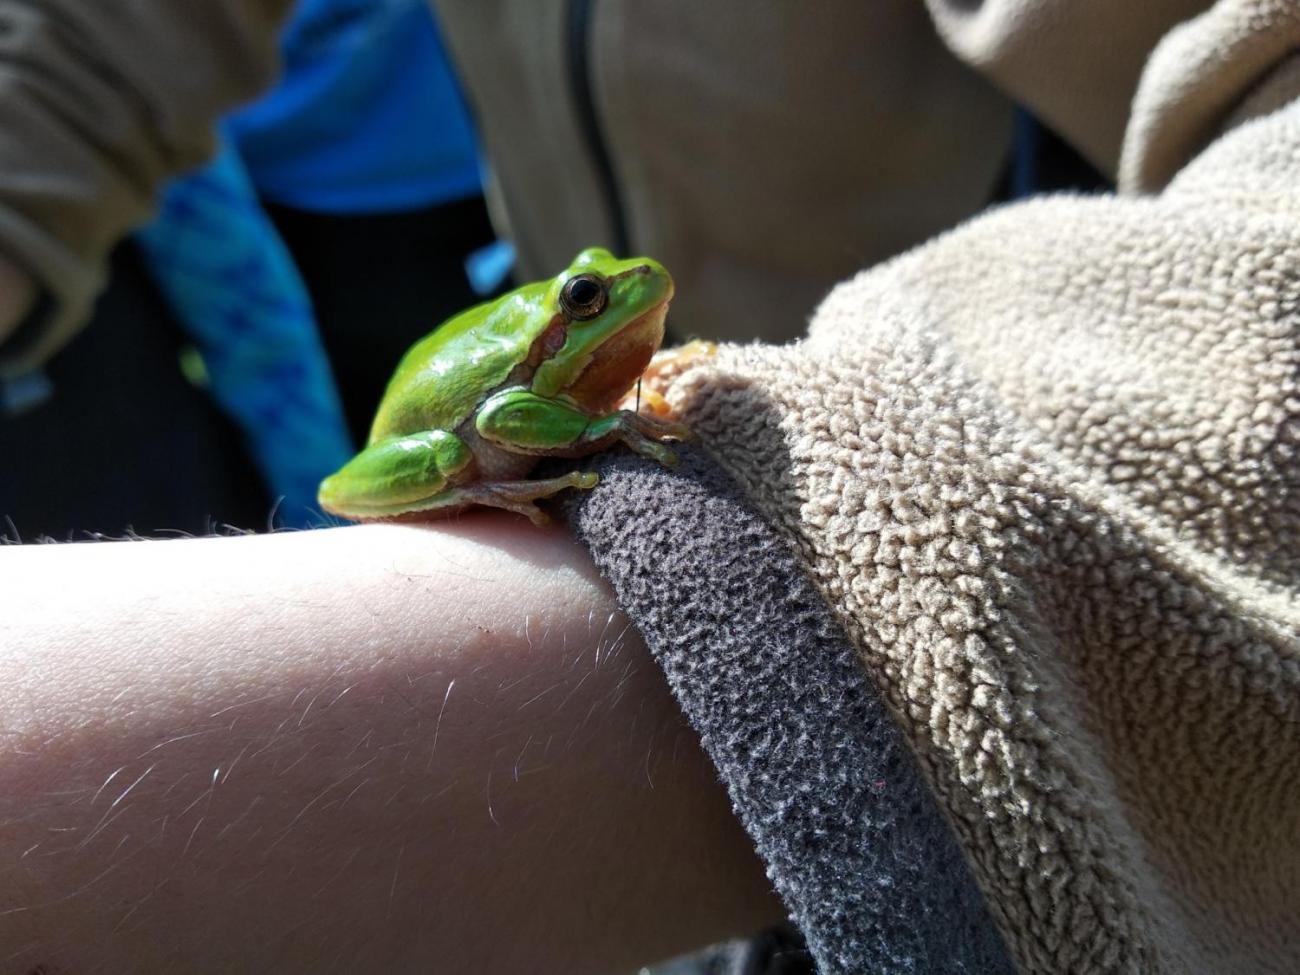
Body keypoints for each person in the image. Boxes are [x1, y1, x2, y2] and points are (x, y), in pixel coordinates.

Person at [1, 1, 1298, 972]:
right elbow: (97, 36)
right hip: (514, 412)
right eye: (594, 299)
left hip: (824, 412)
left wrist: (793, 524)